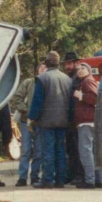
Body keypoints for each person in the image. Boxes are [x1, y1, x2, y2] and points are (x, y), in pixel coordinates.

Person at [28, 51, 72, 188]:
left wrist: (31, 118)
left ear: (47, 63)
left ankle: (47, 180)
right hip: (63, 121)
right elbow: (71, 103)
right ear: (59, 63)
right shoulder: (67, 79)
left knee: (48, 151)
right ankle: (60, 180)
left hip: (46, 122)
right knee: (60, 151)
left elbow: (37, 101)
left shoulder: (42, 78)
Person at [10, 63, 46, 187]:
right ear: (37, 70)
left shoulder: (49, 84)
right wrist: (26, 110)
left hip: (41, 123)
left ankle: (35, 176)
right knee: (25, 150)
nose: (43, 69)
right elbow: (17, 97)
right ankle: (22, 177)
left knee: (39, 151)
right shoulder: (29, 82)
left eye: (46, 67)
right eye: (41, 67)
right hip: (26, 122)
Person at [71, 62, 102, 189]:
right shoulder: (88, 81)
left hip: (86, 121)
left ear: (89, 70)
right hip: (92, 120)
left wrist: (81, 96)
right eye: (78, 68)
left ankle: (89, 180)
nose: (80, 70)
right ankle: (98, 180)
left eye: (83, 68)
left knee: (86, 151)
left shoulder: (86, 81)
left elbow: (96, 98)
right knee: (94, 152)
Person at [63, 51, 83, 184]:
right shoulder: (70, 78)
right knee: (71, 148)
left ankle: (80, 175)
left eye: (69, 64)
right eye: (66, 64)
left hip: (77, 119)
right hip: (71, 119)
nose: (67, 67)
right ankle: (71, 174)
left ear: (77, 63)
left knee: (78, 148)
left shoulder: (79, 79)